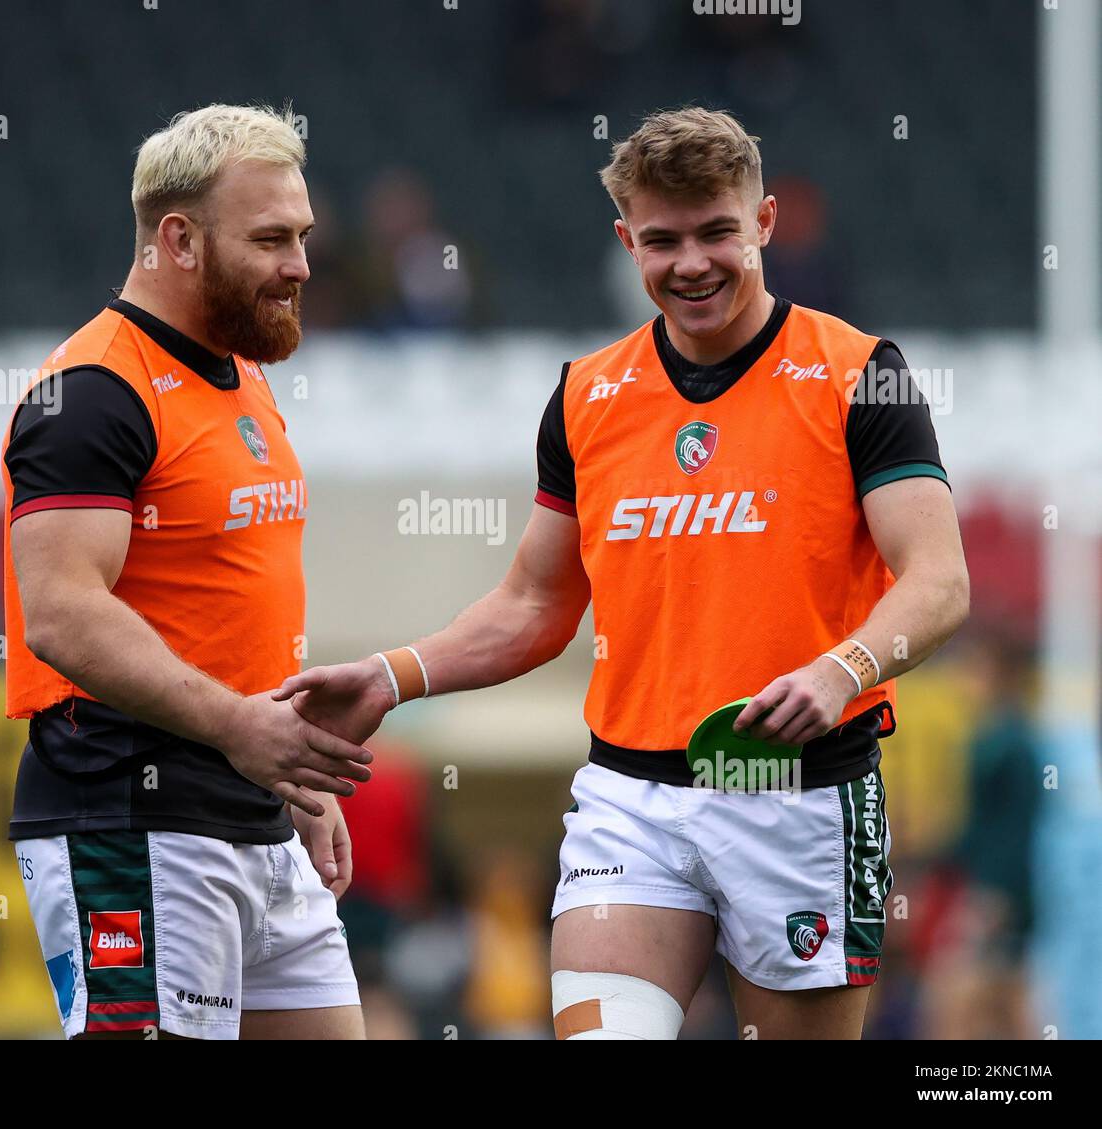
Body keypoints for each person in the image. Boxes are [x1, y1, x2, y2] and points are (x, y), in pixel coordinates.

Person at [274, 107, 970, 1040]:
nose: (691, 262)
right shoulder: (586, 397)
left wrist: (839, 669)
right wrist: (393, 674)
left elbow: (938, 580)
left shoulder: (860, 376)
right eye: (663, 240)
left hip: (797, 792)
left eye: (718, 231)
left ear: (763, 223)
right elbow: (533, 604)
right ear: (625, 241)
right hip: (630, 801)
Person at [1, 104, 370, 1040]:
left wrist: (291, 776)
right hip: (131, 815)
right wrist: (241, 727)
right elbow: (62, 616)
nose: (300, 265)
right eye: (272, 239)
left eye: (303, 237)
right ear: (180, 239)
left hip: (254, 813)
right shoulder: (87, 393)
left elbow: (222, 606)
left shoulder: (241, 374)